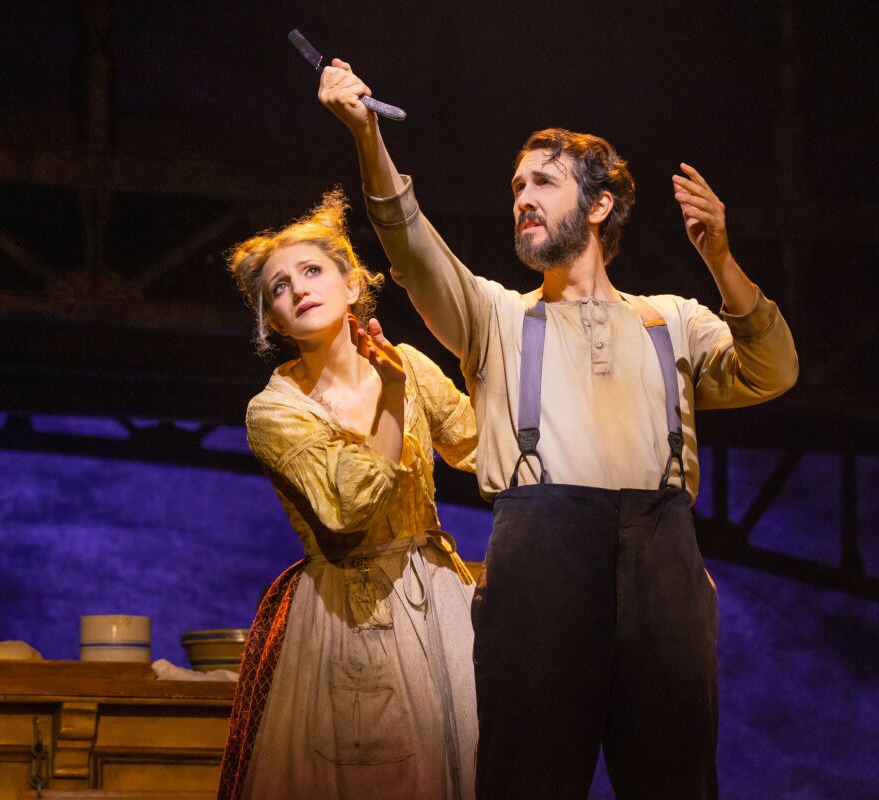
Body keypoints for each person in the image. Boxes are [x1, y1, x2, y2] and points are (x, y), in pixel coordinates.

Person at [317, 60, 799, 799]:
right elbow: (410, 246)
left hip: (663, 569)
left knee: (677, 781)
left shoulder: (672, 320)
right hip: (540, 569)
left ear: (600, 206)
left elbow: (775, 370)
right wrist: (366, 134)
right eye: (517, 188)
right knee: (526, 779)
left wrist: (722, 262)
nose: (523, 200)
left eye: (543, 183)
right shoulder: (498, 319)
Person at [217, 190, 480, 800]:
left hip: (438, 600)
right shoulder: (275, 410)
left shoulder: (408, 364)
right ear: (274, 322)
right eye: (279, 288)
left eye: (312, 271)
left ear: (353, 286)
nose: (299, 289)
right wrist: (389, 399)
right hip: (350, 612)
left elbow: (482, 447)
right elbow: (350, 506)